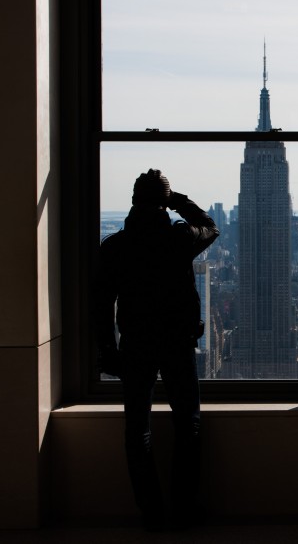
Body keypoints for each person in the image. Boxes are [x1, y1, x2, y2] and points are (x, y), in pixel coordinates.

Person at [95, 169, 219, 531]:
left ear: (133, 200)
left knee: (137, 429)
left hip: (136, 343)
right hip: (177, 342)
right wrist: (180, 202)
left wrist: (107, 351)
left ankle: (150, 512)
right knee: (188, 425)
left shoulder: (115, 246)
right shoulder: (179, 239)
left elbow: (101, 306)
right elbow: (210, 227)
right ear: (164, 202)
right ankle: (183, 508)